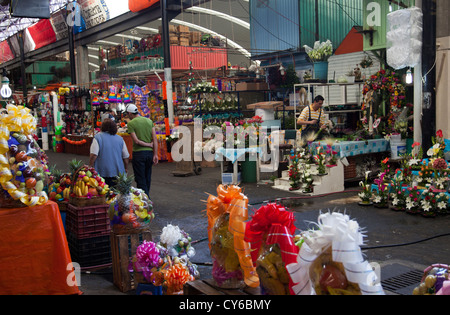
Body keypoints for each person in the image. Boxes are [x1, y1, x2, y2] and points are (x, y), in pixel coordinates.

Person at [126, 104, 159, 196]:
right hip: (149, 154)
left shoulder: (131, 124)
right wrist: (155, 154)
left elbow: (136, 141)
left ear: (130, 113)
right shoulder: (149, 121)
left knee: (140, 179)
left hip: (138, 154)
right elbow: (155, 139)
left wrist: (148, 144)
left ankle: (145, 200)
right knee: (147, 177)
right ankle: (146, 197)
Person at [89, 119, 130, 188]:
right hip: (118, 171)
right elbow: (125, 156)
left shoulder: (98, 137)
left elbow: (94, 155)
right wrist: (126, 168)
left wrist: (90, 166)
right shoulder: (120, 139)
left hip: (102, 171)